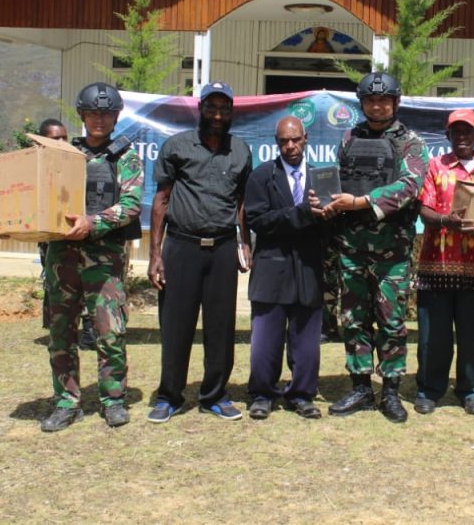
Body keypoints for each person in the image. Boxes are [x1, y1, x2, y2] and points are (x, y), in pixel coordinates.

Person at [319, 71, 428, 423]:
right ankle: (361, 387)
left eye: (384, 100)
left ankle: (391, 392)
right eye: (370, 101)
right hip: (351, 245)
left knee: (392, 321)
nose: (377, 106)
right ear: (362, 104)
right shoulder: (349, 138)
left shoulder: (410, 142)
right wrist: (326, 201)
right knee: (354, 319)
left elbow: (409, 187)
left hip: (391, 251)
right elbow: (336, 180)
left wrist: (361, 201)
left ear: (395, 102)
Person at [38, 83, 143, 431]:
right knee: (61, 333)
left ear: (116, 116)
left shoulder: (125, 157)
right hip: (62, 256)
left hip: (104, 257)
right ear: (82, 115)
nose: (99, 120)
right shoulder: (63, 154)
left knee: (109, 332)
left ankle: (113, 399)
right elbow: (39, 197)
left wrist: (92, 223)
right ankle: (66, 402)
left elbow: (130, 206)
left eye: (107, 114)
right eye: (93, 113)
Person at [147, 81, 253, 423]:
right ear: (201, 109)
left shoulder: (240, 151)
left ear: (231, 112)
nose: (218, 115)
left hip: (222, 248)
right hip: (182, 246)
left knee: (221, 327)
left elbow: (241, 203)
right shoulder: (177, 146)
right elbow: (161, 200)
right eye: (212, 107)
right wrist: (155, 254)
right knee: (176, 325)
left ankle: (215, 395)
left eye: (224, 109)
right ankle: (169, 396)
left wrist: (245, 241)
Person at [413, 108, 474, 416]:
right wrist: (446, 221)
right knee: (433, 335)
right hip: (437, 265)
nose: (462, 136)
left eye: (468, 131)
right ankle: (429, 388)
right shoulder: (435, 166)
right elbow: (423, 211)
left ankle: (470, 390)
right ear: (448, 135)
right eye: (456, 131)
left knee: (472, 335)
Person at [243, 116, 325, 420]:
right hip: (271, 269)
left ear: (306, 139)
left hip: (309, 269)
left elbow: (332, 223)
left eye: (295, 139)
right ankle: (262, 393)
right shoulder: (262, 176)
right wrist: (301, 213)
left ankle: (302, 394)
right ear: (276, 142)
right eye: (283, 141)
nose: (290, 146)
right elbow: (258, 221)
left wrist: (332, 215)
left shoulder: (323, 177)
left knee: (307, 343)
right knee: (265, 341)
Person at [36, 119, 96, 351]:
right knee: (54, 283)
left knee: (86, 281)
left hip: (78, 231)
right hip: (50, 238)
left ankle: (89, 330)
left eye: (63, 137)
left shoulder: (75, 160)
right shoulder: (37, 165)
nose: (61, 142)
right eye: (55, 138)